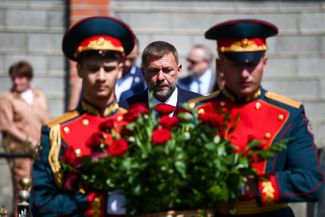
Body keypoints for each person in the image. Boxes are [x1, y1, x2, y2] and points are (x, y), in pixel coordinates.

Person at [193, 19, 325, 216]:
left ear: (265, 63)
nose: (245, 74)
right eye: (236, 65)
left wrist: (256, 188)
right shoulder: (195, 112)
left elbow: (312, 180)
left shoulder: (289, 113)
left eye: (252, 64)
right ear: (220, 65)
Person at [30, 16, 135, 217]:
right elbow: (41, 203)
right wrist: (95, 203)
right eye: (93, 68)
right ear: (79, 69)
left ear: (120, 70)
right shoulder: (56, 133)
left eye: (109, 69)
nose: (101, 77)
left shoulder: (137, 126)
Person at [0, 60, 50, 216]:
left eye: (20, 78)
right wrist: (29, 140)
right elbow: (7, 126)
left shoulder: (39, 95)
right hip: (19, 151)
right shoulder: (8, 98)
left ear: (28, 78)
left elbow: (46, 119)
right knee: (23, 190)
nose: (16, 82)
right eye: (14, 78)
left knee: (40, 187)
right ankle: (20, 215)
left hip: (39, 150)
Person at [119, 41, 201, 115]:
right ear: (143, 73)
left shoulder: (199, 106)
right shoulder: (125, 109)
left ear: (178, 70)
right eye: (153, 71)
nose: (160, 77)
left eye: (167, 70)